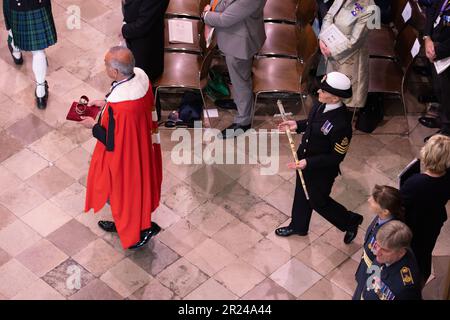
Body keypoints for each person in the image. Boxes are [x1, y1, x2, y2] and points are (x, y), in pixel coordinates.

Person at [81, 47, 163, 250]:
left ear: (116, 72)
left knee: (121, 193)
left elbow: (112, 141)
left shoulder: (123, 106)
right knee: (135, 192)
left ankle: (139, 231)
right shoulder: (141, 79)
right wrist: (106, 103)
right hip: (141, 149)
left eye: (107, 64)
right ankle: (125, 223)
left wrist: (93, 125)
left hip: (125, 160)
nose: (105, 67)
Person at [275, 72, 363, 244]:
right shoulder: (320, 105)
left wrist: (309, 162)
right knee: (302, 194)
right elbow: (312, 123)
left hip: (320, 170)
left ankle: (350, 220)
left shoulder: (341, 125)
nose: (318, 93)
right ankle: (298, 226)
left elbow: (336, 156)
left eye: (323, 91)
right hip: (305, 161)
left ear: (335, 97)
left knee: (318, 201)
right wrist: (296, 125)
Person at [201, 0, 266, 139]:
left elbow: (225, 19)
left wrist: (206, 15)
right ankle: (239, 103)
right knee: (237, 78)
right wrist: (215, 8)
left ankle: (243, 122)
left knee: (241, 80)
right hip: (233, 37)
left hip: (240, 42)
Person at [400, 134, 450, 285]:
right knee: (424, 252)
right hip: (433, 221)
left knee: (410, 255)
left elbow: (400, 204)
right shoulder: (447, 178)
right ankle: (421, 278)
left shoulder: (415, 182)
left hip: (414, 224)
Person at [319, 0, 375, 110]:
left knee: (347, 96)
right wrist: (322, 38)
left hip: (350, 57)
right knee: (332, 86)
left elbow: (355, 41)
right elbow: (329, 16)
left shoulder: (369, 8)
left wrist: (332, 51)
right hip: (331, 48)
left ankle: (345, 119)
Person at [3, 0, 57, 109]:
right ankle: (40, 93)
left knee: (13, 28)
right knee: (38, 51)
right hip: (38, 3)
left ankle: (15, 50)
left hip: (16, 4)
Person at [353, 185, 405, 299]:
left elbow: (383, 261)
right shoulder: (380, 218)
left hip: (374, 272)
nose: (369, 200)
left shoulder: (390, 233)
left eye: (374, 200)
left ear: (385, 211)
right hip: (366, 268)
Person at [121, 0, 169, 122]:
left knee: (144, 82)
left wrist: (125, 29)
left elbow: (143, 25)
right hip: (139, 39)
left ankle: (150, 119)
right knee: (136, 80)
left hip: (146, 45)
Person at [353, 221, 422, 300]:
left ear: (400, 252)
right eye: (377, 245)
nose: (377, 252)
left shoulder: (405, 288)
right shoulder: (387, 251)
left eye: (385, 250)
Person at [418, 0, 450, 141]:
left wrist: (438, 51)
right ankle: (442, 120)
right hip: (435, 47)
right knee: (440, 90)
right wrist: (427, 37)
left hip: (445, 53)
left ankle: (447, 133)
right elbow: (432, 8)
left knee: (448, 95)